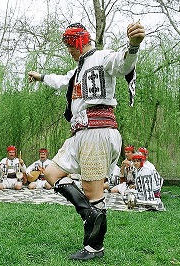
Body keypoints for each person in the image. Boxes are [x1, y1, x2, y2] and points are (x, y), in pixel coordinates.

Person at [27, 21, 145, 261]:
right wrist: (39, 77)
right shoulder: (78, 70)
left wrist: (133, 45)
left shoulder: (103, 57)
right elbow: (60, 80)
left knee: (93, 192)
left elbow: (122, 64)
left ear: (80, 41)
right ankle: (89, 215)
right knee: (50, 172)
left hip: (98, 131)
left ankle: (94, 247)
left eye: (70, 46)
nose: (69, 51)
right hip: (79, 132)